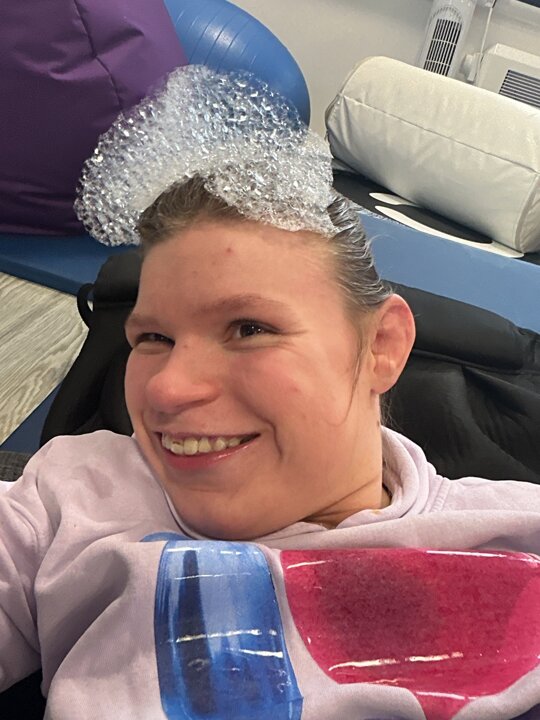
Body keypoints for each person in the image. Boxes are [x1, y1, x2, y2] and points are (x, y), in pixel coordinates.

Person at [1, 65, 540, 720]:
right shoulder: (73, 495)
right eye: (152, 338)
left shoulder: (516, 534)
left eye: (249, 328)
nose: (168, 388)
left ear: (382, 346)